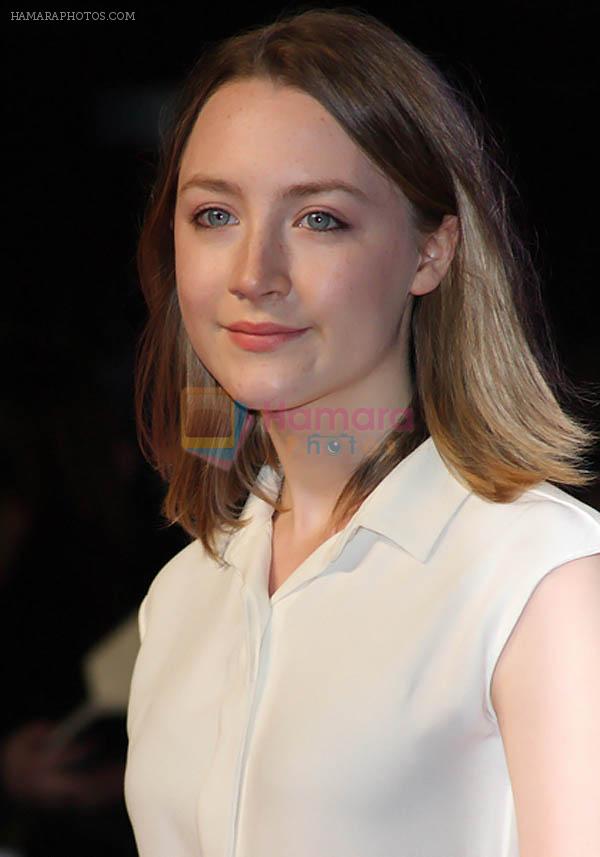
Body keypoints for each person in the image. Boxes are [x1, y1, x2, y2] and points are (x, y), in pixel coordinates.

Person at [124, 7, 600, 857]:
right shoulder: (185, 592)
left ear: (430, 253)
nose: (254, 275)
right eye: (214, 215)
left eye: (320, 219)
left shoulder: (536, 579)